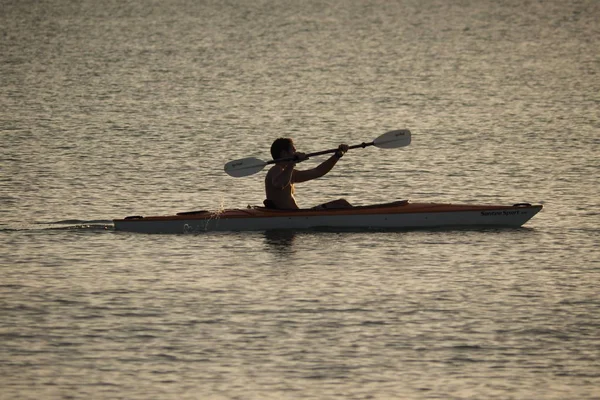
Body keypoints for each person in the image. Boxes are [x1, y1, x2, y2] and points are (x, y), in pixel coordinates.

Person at [264, 138, 353, 210]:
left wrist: (337, 156)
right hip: (285, 215)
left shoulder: (290, 173)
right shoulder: (275, 169)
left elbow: (318, 171)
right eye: (293, 150)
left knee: (341, 203)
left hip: (296, 215)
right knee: (342, 203)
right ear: (284, 154)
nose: (295, 152)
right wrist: (292, 163)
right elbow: (280, 184)